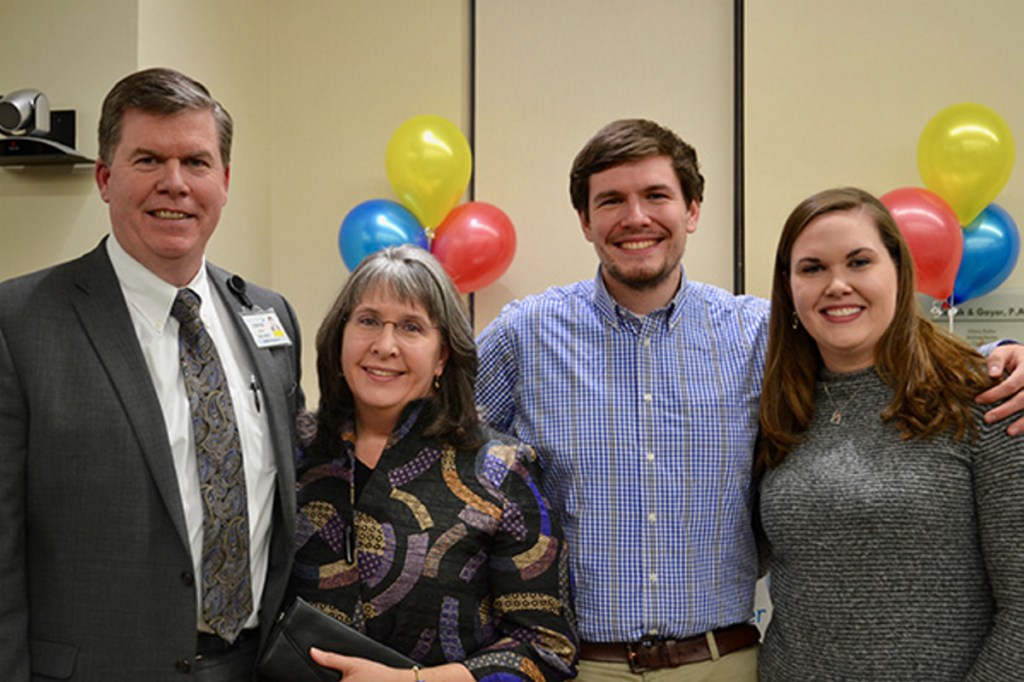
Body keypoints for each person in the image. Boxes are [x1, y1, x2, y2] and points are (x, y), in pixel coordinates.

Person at [474, 118, 1024, 682]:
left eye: (657, 195)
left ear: (691, 211)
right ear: (586, 222)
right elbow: (432, 423)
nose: (635, 217)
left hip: (725, 662)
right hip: (581, 665)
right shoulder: (526, 334)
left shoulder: (758, 336)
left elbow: (876, 352)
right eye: (611, 200)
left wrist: (1002, 356)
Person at [0, 68, 304, 681]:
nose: (175, 184)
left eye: (196, 162)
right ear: (106, 179)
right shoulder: (20, 324)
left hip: (254, 667)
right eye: (148, 160)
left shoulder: (270, 318)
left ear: (224, 181)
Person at [756, 187, 1024, 681]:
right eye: (812, 268)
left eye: (859, 262)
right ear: (790, 289)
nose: (837, 284)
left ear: (899, 272)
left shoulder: (986, 396)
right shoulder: (778, 406)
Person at [288, 245, 577, 682]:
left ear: (443, 354)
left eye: (411, 327)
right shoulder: (293, 451)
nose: (384, 346)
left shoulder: (499, 469)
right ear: (339, 336)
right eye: (368, 321)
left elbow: (546, 648)